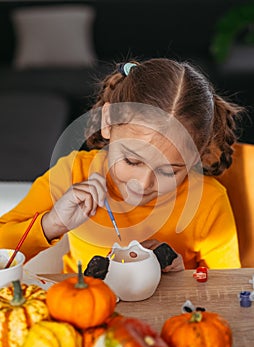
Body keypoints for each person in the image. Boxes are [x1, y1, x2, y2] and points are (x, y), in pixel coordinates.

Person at [0, 58, 244, 273]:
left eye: (169, 171)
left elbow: (230, 287)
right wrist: (53, 224)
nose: (144, 183)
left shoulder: (209, 201)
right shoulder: (74, 172)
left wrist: (183, 277)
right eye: (132, 160)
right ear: (107, 122)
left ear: (198, 156)